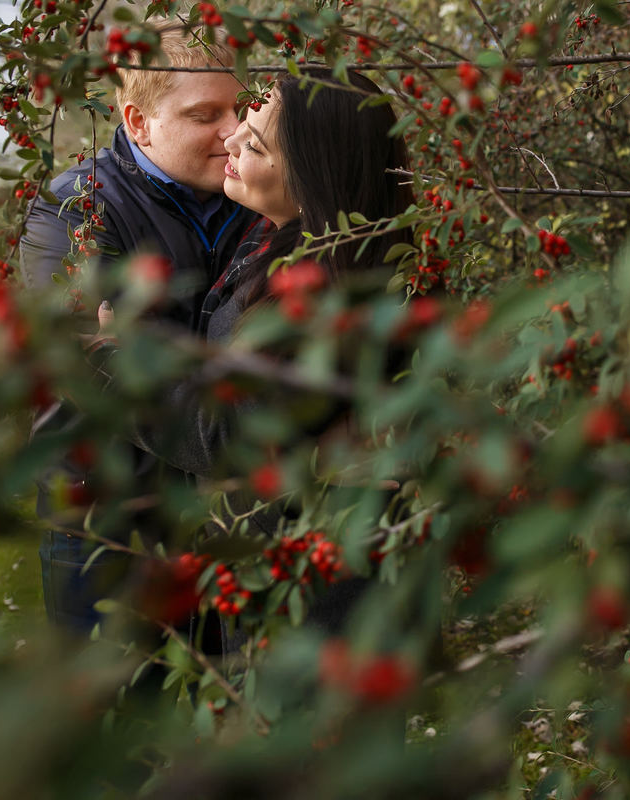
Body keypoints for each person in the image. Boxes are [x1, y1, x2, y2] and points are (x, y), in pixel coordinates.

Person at [91, 69, 414, 633]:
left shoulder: (322, 294)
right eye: (245, 118)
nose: (232, 139)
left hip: (319, 604)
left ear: (313, 177)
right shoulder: (285, 243)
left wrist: (114, 362)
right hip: (283, 575)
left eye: (256, 141)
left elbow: (228, 436)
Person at [25, 22, 259, 634]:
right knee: (116, 708)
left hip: (230, 508)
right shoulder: (74, 209)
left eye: (239, 107)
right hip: (108, 517)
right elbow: (76, 359)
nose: (233, 130)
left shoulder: (257, 195)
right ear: (138, 122)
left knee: (235, 699)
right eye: (204, 114)